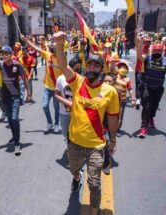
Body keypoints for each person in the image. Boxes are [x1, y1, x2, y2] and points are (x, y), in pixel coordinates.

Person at [55, 32, 120, 215]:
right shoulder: (78, 82)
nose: (92, 67)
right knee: (74, 169)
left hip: (96, 145)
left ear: (102, 69)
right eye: (89, 64)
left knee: (95, 183)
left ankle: (93, 212)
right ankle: (77, 176)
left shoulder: (110, 91)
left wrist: (113, 140)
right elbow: (63, 65)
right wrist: (60, 45)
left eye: (96, 65)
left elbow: (113, 117)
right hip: (74, 141)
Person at [0, 45, 31, 155]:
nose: (3, 55)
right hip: (5, 97)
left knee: (14, 118)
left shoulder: (17, 65)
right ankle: (14, 136)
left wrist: (28, 93)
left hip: (16, 96)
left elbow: (24, 78)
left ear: (11, 54)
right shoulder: (0, 64)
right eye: (2, 54)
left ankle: (17, 144)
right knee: (9, 119)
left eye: (6, 53)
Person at [22, 34, 62, 133]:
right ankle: (49, 123)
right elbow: (35, 48)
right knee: (45, 106)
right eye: (53, 50)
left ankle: (57, 124)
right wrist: (26, 41)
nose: (54, 52)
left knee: (57, 108)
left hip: (57, 88)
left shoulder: (62, 59)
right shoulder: (47, 55)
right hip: (47, 87)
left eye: (55, 50)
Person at [137, 40, 166, 138]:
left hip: (158, 88)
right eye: (155, 52)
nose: (156, 54)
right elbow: (139, 57)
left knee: (154, 107)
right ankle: (143, 128)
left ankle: (151, 118)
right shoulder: (148, 58)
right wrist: (139, 44)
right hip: (146, 86)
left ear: (162, 52)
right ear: (152, 51)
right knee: (146, 106)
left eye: (158, 52)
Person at [55, 57, 82, 145]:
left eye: (80, 68)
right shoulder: (61, 79)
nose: (78, 71)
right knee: (65, 132)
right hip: (64, 112)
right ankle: (68, 141)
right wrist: (67, 102)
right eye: (76, 69)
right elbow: (56, 95)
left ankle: (73, 148)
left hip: (78, 113)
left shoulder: (82, 79)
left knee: (77, 134)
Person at [115, 61, 136, 132]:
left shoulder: (128, 79)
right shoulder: (114, 75)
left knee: (120, 116)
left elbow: (130, 90)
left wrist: (133, 99)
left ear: (127, 70)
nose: (122, 69)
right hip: (113, 100)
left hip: (122, 101)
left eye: (124, 68)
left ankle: (117, 129)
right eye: (120, 67)